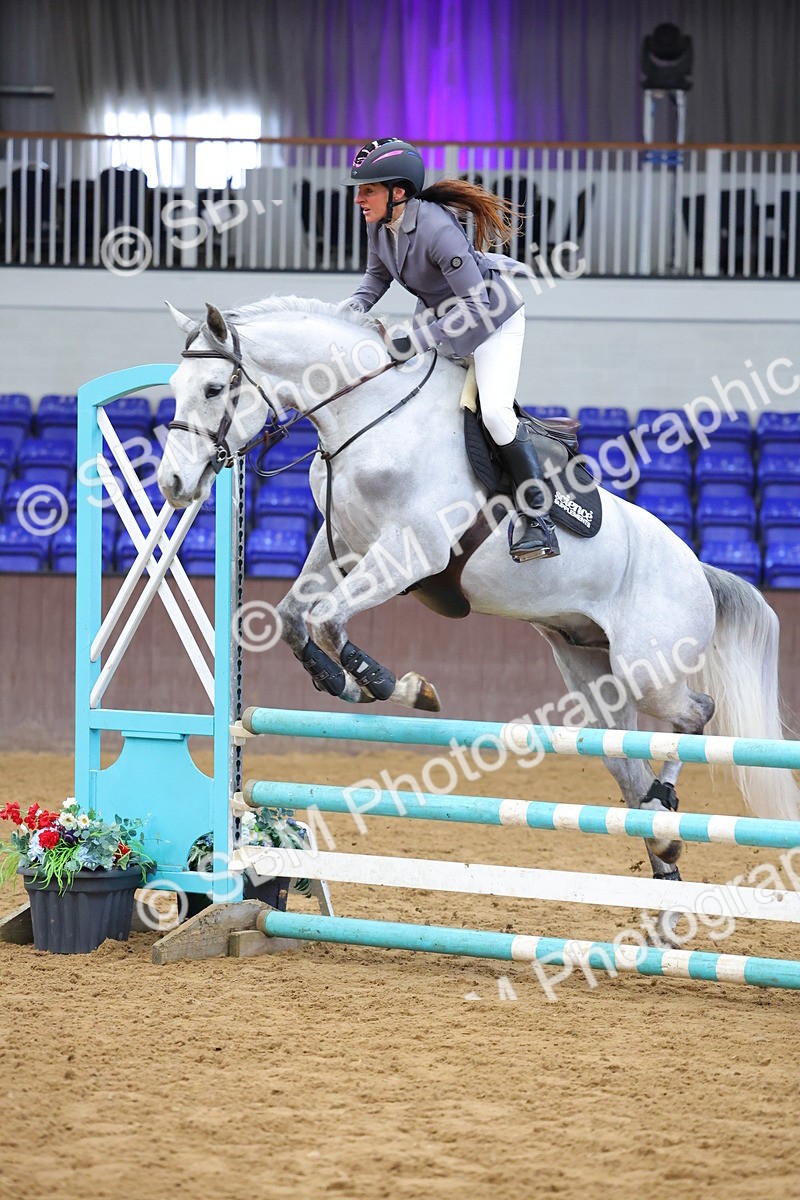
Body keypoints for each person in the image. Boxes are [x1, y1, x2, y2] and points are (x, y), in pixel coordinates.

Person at [341, 137, 559, 563]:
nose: (359, 199)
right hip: (442, 319)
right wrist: (344, 315)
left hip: (493, 319)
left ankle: (539, 517)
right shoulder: (379, 225)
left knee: (495, 413)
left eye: (368, 190)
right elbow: (376, 279)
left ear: (397, 192)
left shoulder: (437, 230)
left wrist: (416, 340)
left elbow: (476, 306)